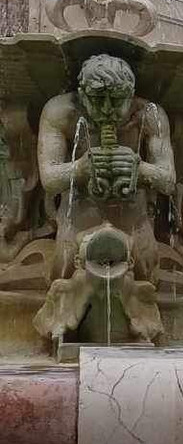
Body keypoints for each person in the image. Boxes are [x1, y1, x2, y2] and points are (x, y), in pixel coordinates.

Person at [37, 54, 175, 282]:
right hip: (79, 219)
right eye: (98, 99)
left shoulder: (150, 114)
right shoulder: (61, 112)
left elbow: (168, 180)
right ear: (83, 95)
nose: (107, 109)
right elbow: (49, 178)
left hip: (133, 221)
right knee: (64, 273)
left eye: (118, 100)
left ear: (131, 95)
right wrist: (81, 169)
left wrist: (138, 169)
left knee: (146, 276)